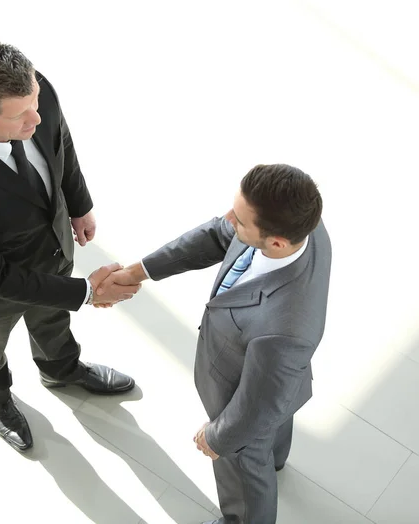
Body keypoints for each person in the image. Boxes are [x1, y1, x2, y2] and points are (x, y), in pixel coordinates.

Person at [0, 39, 139, 453]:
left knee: (53, 322)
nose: (35, 117)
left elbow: (61, 144)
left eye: (35, 101)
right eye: (20, 115)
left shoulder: (36, 91)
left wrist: (79, 205)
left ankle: (61, 370)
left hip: (52, 255)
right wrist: (87, 292)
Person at [97, 164, 331, 524]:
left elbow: (258, 407)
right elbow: (215, 236)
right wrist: (137, 271)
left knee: (244, 463)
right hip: (278, 380)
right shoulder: (303, 223)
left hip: (245, 398)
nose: (227, 220)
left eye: (239, 220)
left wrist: (220, 438)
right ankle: (277, 458)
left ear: (277, 243)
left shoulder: (285, 331)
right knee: (277, 422)